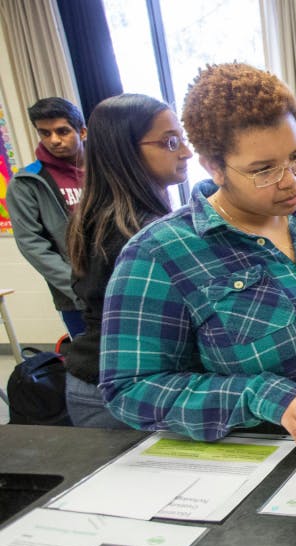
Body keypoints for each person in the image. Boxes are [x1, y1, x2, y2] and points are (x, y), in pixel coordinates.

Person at [100, 63, 296, 452]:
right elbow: (129, 388)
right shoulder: (161, 252)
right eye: (264, 170)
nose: (291, 180)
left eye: (295, 157)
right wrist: (257, 394)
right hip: (264, 471)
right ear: (214, 167)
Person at [63, 94, 190, 428]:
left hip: (94, 379)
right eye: (170, 142)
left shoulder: (100, 216)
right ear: (125, 151)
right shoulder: (140, 233)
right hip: (111, 391)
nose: (185, 152)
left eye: (182, 139)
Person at [7, 97, 87, 337]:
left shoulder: (106, 169)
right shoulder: (27, 182)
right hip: (77, 299)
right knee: (94, 368)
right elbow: (32, 245)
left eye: (62, 131)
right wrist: (77, 287)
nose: (54, 140)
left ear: (82, 131)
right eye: (45, 133)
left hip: (123, 283)